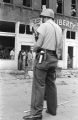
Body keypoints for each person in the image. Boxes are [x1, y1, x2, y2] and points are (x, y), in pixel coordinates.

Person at [23, 9, 62, 120]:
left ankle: (36, 114)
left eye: (43, 17)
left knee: (38, 85)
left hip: (43, 57)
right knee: (51, 85)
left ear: (45, 17)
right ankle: (52, 110)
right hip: (54, 58)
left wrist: (34, 47)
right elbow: (60, 46)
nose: (42, 19)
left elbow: (39, 43)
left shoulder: (44, 26)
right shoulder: (59, 28)